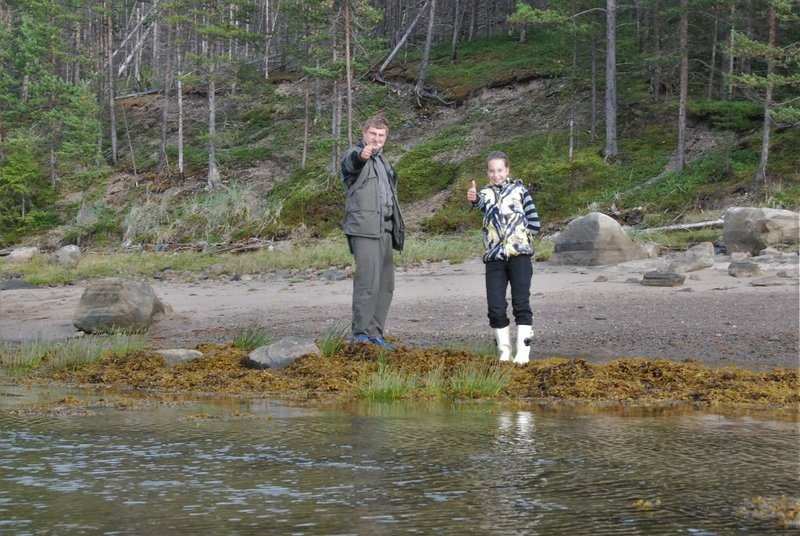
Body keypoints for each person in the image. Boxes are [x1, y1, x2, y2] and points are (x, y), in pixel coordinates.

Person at [467, 151, 540, 364]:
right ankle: (504, 354)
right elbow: (478, 202)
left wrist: (522, 239)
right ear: (487, 173)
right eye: (492, 171)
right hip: (494, 260)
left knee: (521, 303)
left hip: (520, 257)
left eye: (500, 170)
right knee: (496, 307)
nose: (496, 174)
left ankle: (523, 354)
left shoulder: (520, 190)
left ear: (507, 170)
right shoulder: (485, 193)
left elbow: (534, 222)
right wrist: (473, 198)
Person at [341, 115, 405, 350]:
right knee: (367, 283)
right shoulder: (354, 155)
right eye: (372, 134)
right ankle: (360, 335)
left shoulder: (385, 163)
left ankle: (375, 334)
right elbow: (352, 163)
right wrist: (362, 155)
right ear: (364, 133)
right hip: (364, 229)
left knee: (385, 285)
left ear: (385, 137)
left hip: (385, 231)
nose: (376, 139)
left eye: (381, 135)